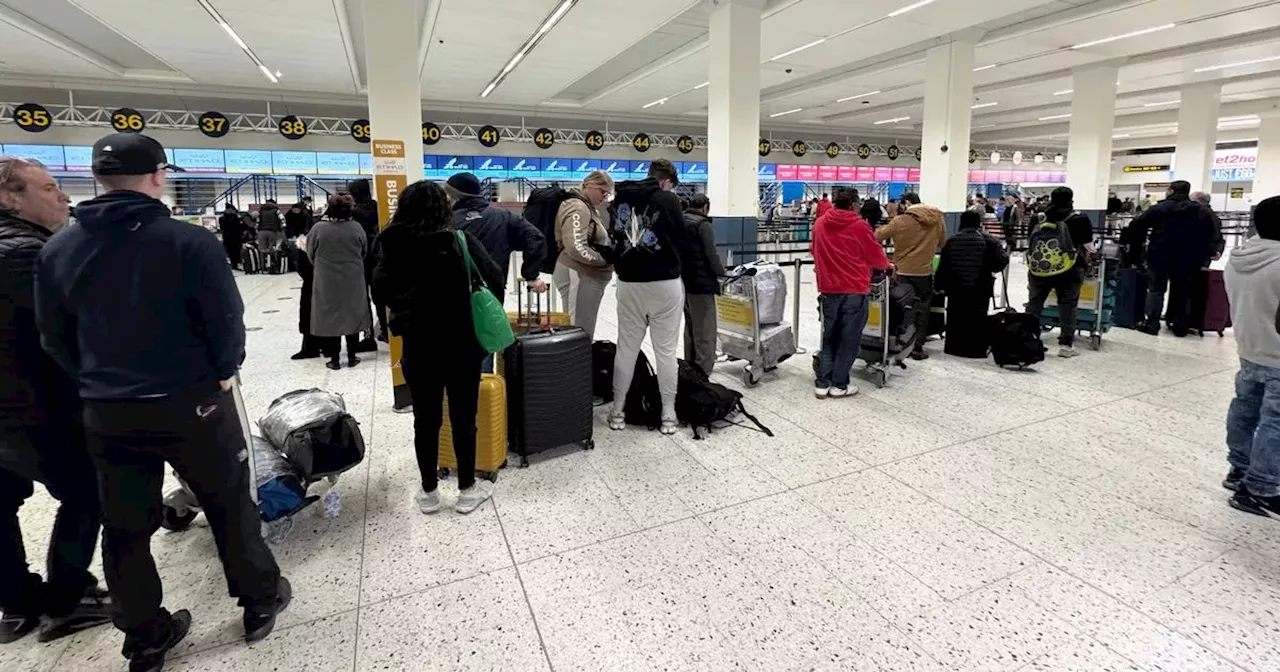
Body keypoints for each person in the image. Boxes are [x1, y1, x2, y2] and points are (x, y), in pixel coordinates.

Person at [34, 134, 288, 672]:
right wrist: (223, 372)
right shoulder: (186, 242)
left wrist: (94, 380)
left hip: (108, 410)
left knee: (124, 524)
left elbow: (53, 336)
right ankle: (259, 600)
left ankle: (146, 636)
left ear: (98, 178)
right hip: (191, 402)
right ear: (157, 174)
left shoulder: (57, 248)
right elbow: (224, 320)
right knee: (227, 503)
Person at [0, 156, 112, 645]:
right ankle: (68, 596)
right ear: (11, 198)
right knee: (88, 492)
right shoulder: (32, 255)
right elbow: (68, 337)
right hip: (38, 407)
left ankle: (16, 601)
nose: (63, 196)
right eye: (48, 188)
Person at [372, 181, 505, 514]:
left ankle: (429, 492)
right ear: (443, 208)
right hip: (462, 344)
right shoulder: (459, 240)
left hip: (418, 347)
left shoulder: (389, 242)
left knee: (425, 420)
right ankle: (467, 491)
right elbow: (495, 278)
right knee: (463, 418)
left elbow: (379, 290)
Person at [604, 159, 688, 433]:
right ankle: (668, 415)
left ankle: (617, 413)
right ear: (666, 181)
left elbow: (615, 237)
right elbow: (681, 237)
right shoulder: (669, 200)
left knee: (626, 347)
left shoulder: (620, 199)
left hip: (629, 284)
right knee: (665, 351)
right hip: (665, 282)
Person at [1223, 195, 1280, 516]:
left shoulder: (1239, 257)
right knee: (1275, 422)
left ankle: (1239, 469)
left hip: (1249, 348)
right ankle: (1260, 487)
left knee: (1245, 411)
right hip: (1278, 354)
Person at [812, 189, 891, 398]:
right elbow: (876, 257)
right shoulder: (859, 226)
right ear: (853, 204)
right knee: (849, 339)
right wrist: (888, 265)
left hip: (828, 288)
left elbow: (814, 251)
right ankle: (839, 384)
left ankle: (822, 383)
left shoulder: (819, 224)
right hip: (853, 289)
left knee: (829, 337)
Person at [1131, 181, 1219, 336]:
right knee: (1182, 291)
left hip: (1160, 254)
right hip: (1188, 257)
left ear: (1171, 191)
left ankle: (1152, 324)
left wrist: (1139, 249)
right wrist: (1208, 253)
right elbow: (1212, 231)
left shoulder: (1161, 208)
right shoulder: (1201, 210)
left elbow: (1138, 224)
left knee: (1156, 289)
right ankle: (1180, 326)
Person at [445, 173, 547, 295]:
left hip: (454, 289)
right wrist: (531, 275)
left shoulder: (446, 220)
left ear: (455, 196)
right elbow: (536, 237)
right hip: (493, 288)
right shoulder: (504, 216)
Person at [1023, 186, 1095, 358]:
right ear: (1071, 199)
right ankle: (1065, 346)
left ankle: (1027, 339)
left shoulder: (1038, 218)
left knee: (1034, 305)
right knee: (1068, 306)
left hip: (1040, 268)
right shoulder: (1079, 219)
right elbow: (1089, 246)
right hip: (1069, 269)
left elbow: (1030, 241)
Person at [876, 192, 945, 360]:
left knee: (902, 308)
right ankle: (918, 347)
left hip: (902, 271)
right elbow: (943, 243)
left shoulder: (900, 220)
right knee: (922, 309)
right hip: (924, 272)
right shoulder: (937, 220)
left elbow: (877, 236)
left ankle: (901, 343)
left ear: (907, 203)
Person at [307, 194, 373, 370]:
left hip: (326, 279)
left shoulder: (318, 228)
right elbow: (364, 251)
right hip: (353, 277)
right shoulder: (356, 227)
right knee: (353, 314)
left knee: (330, 318)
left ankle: (334, 359)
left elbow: (310, 253)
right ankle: (352, 356)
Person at [936, 210, 1009, 357]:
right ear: (979, 223)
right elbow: (999, 264)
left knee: (955, 318)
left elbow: (943, 267)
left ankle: (953, 348)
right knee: (977, 319)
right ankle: (974, 349)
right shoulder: (989, 241)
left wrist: (939, 286)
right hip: (980, 288)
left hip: (955, 289)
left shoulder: (952, 240)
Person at [552, 170, 614, 338]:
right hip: (577, 273)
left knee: (583, 327)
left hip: (584, 274)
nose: (605, 197)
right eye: (602, 191)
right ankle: (575, 363)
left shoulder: (588, 207)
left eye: (608, 193)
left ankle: (580, 361)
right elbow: (575, 246)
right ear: (588, 186)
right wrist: (603, 260)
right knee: (577, 329)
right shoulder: (578, 207)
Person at [680, 194, 726, 375]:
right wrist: (721, 272)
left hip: (684, 282)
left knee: (690, 326)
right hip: (702, 284)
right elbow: (711, 254)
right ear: (706, 207)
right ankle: (703, 372)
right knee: (705, 330)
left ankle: (689, 366)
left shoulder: (681, 220)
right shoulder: (702, 225)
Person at [348, 179, 385, 345]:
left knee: (362, 300)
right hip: (380, 258)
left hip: (360, 260)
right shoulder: (379, 207)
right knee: (380, 298)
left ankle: (368, 336)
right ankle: (386, 330)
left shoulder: (354, 213)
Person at [1192, 190, 1227, 260]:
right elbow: (1219, 236)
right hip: (1208, 253)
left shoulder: (1199, 215)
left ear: (1197, 201)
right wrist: (1218, 251)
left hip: (1197, 253)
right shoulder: (1214, 216)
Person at [218, 203, 243, 269]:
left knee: (229, 251)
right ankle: (235, 264)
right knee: (236, 251)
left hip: (227, 237)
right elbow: (239, 228)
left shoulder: (222, 218)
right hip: (236, 237)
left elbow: (222, 228)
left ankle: (233, 264)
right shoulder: (235, 218)